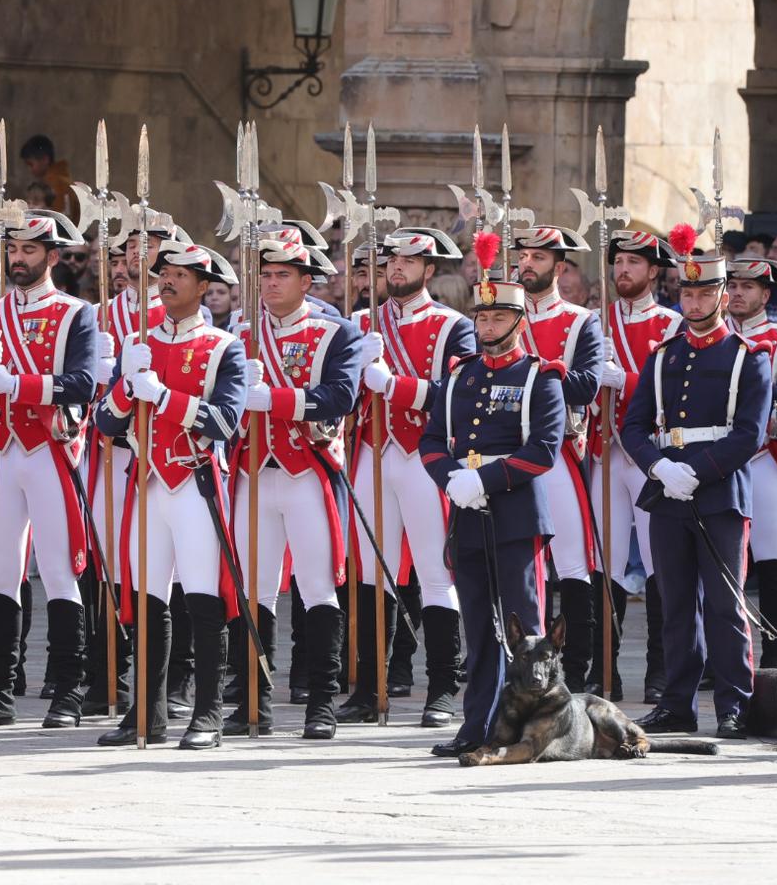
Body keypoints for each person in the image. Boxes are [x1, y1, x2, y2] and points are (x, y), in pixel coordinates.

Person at [93, 241, 248, 750]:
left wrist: (162, 396)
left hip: (195, 479)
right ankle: (147, 710)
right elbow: (106, 423)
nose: (168, 280)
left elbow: (226, 422)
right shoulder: (140, 343)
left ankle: (207, 713)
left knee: (203, 597)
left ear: (204, 287)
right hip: (146, 483)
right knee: (145, 599)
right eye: (164, 272)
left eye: (181, 274)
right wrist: (125, 384)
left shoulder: (225, 347)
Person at [623, 226, 771, 739]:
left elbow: (750, 434)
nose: (694, 301)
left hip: (720, 492)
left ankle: (735, 703)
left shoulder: (748, 357)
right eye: (686, 292)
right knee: (675, 602)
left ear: (724, 296)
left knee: (726, 603)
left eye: (705, 292)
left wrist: (697, 471)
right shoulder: (663, 356)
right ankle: (677, 703)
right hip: (667, 490)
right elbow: (634, 426)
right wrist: (658, 466)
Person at [0, 211, 100, 731]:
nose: (18, 259)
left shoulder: (74, 314)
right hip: (0, 449)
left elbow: (83, 384)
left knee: (60, 571)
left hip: (49, 447)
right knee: (1, 573)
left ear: (53, 257)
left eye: (29, 251)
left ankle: (67, 691)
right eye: (13, 250)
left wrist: (17, 383)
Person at [419, 263, 565, 758]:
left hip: (515, 512)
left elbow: (544, 448)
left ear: (519, 322)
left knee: (526, 632)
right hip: (466, 510)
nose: (486, 327)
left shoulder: (539, 377)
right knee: (478, 627)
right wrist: (452, 481)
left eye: (498, 318)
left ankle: (532, 727)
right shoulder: (460, 376)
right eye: (481, 318)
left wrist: (484, 479)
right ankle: (478, 723)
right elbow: (433, 440)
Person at [337, 227, 476, 729]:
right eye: (390, 260)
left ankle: (441, 689)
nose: (396, 268)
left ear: (428, 270)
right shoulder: (359, 323)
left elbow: (458, 395)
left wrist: (395, 386)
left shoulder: (452, 326)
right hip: (372, 453)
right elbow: (336, 394)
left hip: (423, 456)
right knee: (372, 575)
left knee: (435, 576)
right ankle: (370, 687)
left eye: (408, 262)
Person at [228, 234, 364, 740]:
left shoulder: (336, 333)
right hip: (252, 471)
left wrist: (278, 401)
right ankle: (250, 702)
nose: (270, 282)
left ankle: (322, 703)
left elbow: (341, 397)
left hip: (306, 469)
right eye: (264, 274)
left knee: (317, 586)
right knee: (254, 589)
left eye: (282, 274)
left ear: (307, 281)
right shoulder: (240, 331)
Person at [83, 218, 187, 714]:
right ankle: (107, 674)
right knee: (106, 561)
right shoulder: (101, 314)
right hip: (113, 450)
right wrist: (100, 375)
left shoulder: (176, 311)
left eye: (148, 246)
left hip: (163, 455)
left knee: (166, 567)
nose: (135, 255)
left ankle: (174, 679)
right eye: (128, 247)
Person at [588, 229, 681, 703]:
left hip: (649, 454)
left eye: (634, 263)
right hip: (605, 450)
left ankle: (660, 672)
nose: (623, 270)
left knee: (658, 563)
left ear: (653, 271)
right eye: (618, 261)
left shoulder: (669, 325)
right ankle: (605, 668)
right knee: (605, 564)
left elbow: (670, 385)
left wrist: (622, 378)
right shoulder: (596, 320)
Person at [512, 225, 604, 690]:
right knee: (520, 563)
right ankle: (523, 662)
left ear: (560, 267)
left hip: (558, 449)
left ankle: (581, 667)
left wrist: (536, 377)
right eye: (523, 255)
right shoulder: (500, 314)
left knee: (571, 562)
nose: (527, 263)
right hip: (504, 450)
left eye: (538, 257)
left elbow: (587, 384)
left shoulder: (581, 321)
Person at [725, 255, 777, 667]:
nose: (737, 293)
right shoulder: (707, 335)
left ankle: (774, 657)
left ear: (765, 294)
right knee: (718, 567)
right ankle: (718, 659)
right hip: (713, 460)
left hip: (764, 458)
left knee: (772, 561)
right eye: (733, 285)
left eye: (747, 287)